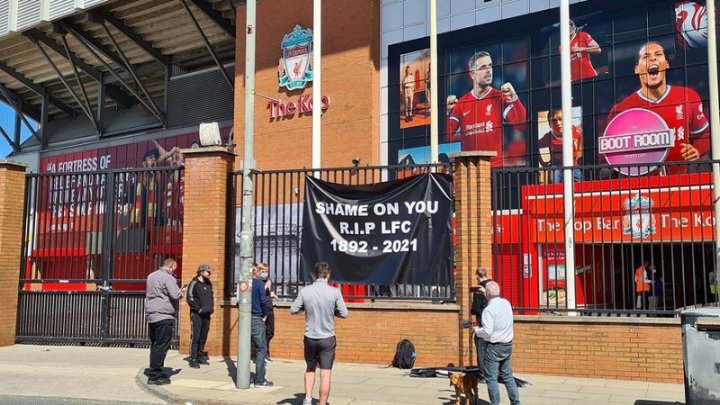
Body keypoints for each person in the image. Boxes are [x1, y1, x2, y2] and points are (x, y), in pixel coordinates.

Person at [607, 42, 710, 174]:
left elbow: (706, 135)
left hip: (682, 183)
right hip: (642, 188)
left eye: (658, 54)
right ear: (637, 69)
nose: (652, 58)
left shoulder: (687, 96)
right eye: (646, 56)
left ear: (666, 63)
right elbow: (611, 155)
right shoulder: (620, 110)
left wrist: (696, 150)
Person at [446, 51, 527, 168]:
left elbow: (522, 126)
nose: (489, 70)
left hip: (495, 169)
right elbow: (447, 137)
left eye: (490, 66)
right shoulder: (462, 103)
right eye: (483, 67)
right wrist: (448, 113)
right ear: (472, 74)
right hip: (469, 171)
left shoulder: (499, 97)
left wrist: (515, 98)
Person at [290, 262, 349, 405]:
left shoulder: (305, 291)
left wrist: (304, 309)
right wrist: (332, 311)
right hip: (327, 338)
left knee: (310, 368)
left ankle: (308, 399)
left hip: (310, 336)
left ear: (316, 274)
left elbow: (293, 310)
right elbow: (344, 314)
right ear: (328, 275)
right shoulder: (334, 292)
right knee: (325, 373)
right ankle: (322, 403)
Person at [472, 281, 520, 405]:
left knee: (491, 378)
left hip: (494, 347)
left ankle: (495, 403)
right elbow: (494, 299)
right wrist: (486, 293)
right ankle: (516, 402)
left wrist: (477, 330)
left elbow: (487, 332)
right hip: (507, 344)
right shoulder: (506, 303)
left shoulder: (488, 310)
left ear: (487, 293)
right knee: (507, 375)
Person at [145, 258, 186, 385]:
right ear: (171, 266)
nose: (175, 271)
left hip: (152, 315)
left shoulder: (151, 275)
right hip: (163, 315)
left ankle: (156, 370)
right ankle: (155, 375)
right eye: (174, 268)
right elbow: (175, 295)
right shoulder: (167, 277)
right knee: (162, 346)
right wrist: (183, 290)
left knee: (155, 344)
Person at [538, 108, 583, 183]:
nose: (558, 123)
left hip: (573, 164)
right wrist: (543, 162)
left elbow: (580, 136)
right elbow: (535, 146)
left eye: (560, 119)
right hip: (557, 166)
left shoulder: (572, 130)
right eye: (554, 120)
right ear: (550, 124)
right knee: (553, 182)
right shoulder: (548, 137)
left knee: (579, 180)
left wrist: (579, 152)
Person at [186, 264, 214, 368]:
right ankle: (193, 358)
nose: (210, 274)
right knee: (196, 336)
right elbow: (190, 298)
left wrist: (211, 308)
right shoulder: (194, 283)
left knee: (203, 336)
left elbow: (211, 296)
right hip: (197, 314)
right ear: (201, 272)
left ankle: (199, 355)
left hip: (207, 314)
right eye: (208, 272)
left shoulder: (209, 283)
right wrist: (198, 309)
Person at [251, 264, 273, 387]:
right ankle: (260, 379)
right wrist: (265, 314)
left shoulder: (243, 283)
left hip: (245, 319)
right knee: (261, 349)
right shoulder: (259, 284)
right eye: (260, 271)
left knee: (244, 348)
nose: (262, 273)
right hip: (257, 317)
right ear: (256, 272)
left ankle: (244, 376)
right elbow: (264, 301)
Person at [469, 267, 491, 377]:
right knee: (490, 347)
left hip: (482, 321)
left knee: (481, 347)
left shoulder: (479, 289)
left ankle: (483, 373)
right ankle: (492, 371)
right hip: (493, 321)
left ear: (477, 276)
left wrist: (472, 310)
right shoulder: (493, 285)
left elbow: (476, 309)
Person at [259, 263, 277, 362]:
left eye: (266, 271)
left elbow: (270, 292)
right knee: (261, 332)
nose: (265, 273)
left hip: (269, 308)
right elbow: (258, 294)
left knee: (270, 332)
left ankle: (265, 353)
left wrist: (273, 294)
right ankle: (264, 355)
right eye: (263, 271)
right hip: (261, 309)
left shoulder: (269, 281)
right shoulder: (257, 282)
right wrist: (266, 286)